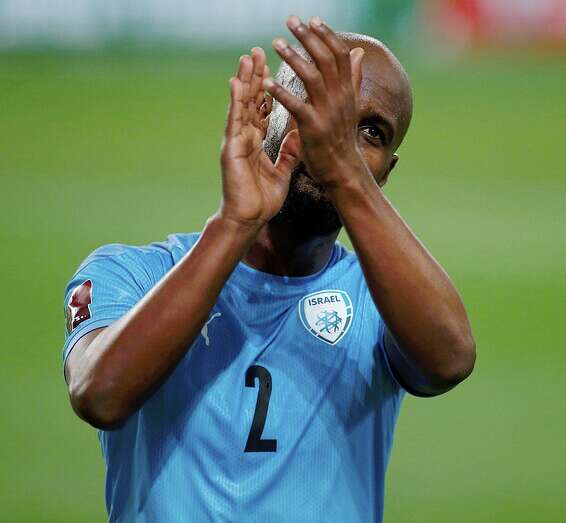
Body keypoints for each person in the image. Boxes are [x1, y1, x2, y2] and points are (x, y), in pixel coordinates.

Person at [62, 15, 475, 523]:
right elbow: (100, 395)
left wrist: (344, 172)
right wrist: (235, 223)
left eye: (368, 132)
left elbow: (449, 361)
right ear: (268, 111)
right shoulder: (132, 275)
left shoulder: (384, 302)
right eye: (318, 106)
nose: (334, 138)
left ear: (385, 172)